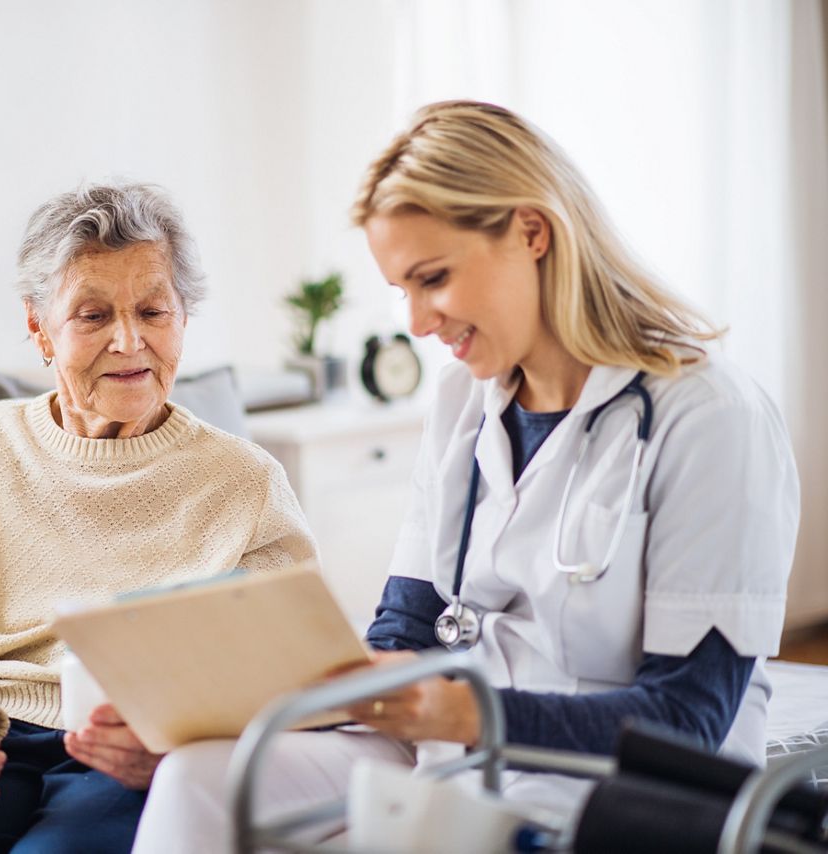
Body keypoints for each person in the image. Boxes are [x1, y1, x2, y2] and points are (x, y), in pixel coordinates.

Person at [131, 100, 800, 851]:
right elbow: (408, 627)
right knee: (198, 776)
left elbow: (691, 717)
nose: (417, 321)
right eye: (402, 290)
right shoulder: (461, 401)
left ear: (532, 232)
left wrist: (467, 715)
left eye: (433, 279)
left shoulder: (707, 417)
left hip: (615, 782)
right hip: (459, 754)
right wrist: (265, 688)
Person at [0, 182, 317, 854]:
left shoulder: (245, 481)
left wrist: (175, 746)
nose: (129, 341)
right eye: (92, 315)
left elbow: (292, 678)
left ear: (184, 317)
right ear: (38, 326)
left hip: (136, 756)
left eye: (154, 311)